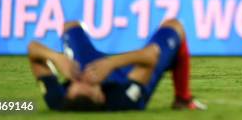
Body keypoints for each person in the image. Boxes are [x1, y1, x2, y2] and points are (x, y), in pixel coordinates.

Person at [27, 19, 206, 111]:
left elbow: (33, 49)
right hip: (130, 74)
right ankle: (183, 98)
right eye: (89, 83)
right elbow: (151, 56)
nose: (83, 77)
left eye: (75, 81)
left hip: (90, 62)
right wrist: (111, 63)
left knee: (70, 26)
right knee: (174, 26)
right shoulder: (123, 100)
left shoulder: (59, 100)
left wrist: (56, 58)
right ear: (101, 98)